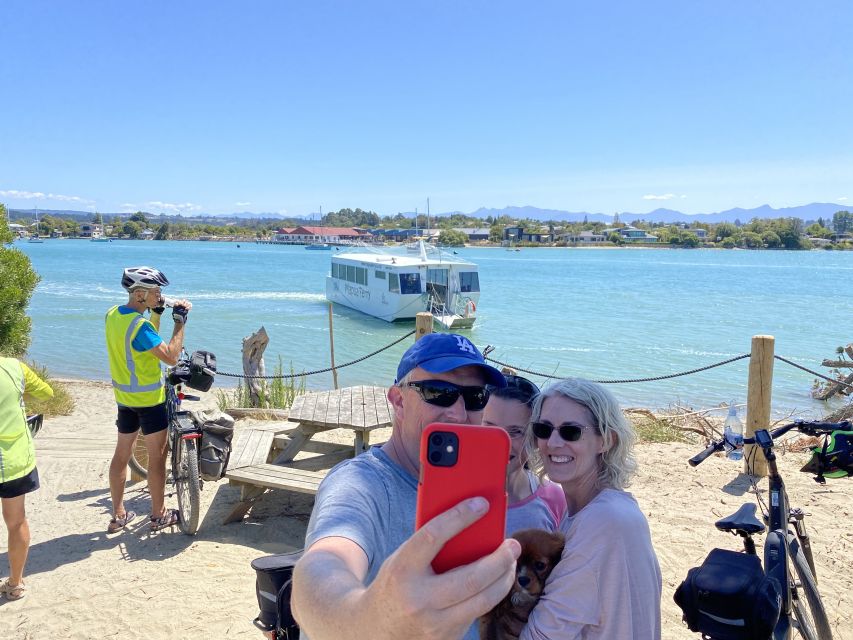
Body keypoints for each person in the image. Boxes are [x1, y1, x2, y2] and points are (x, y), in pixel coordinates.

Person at [291, 333, 522, 640]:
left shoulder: (481, 485)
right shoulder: (360, 483)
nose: (458, 412)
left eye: (475, 396)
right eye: (438, 392)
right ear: (398, 401)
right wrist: (372, 622)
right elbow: (319, 571)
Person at [520, 378, 662, 640]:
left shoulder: (603, 520)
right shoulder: (597, 509)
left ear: (605, 441)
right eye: (543, 429)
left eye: (570, 431)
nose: (552, 442)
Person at [104, 266, 191, 533]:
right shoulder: (140, 326)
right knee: (157, 458)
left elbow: (141, 346)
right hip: (149, 401)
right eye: (156, 292)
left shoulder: (114, 315)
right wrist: (179, 322)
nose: (160, 295)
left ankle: (118, 515)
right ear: (140, 294)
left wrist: (157, 314)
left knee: (121, 454)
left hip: (125, 398)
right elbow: (170, 356)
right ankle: (158, 515)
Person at [481, 375, 566, 534]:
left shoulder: (554, 499)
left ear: (535, 438)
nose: (501, 443)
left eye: (516, 432)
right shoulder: (452, 493)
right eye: (490, 428)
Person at [0, 356, 53, 600]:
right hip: (13, 461)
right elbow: (45, 393)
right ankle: (15, 583)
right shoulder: (13, 368)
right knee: (16, 522)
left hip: (12, 463)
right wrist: (19, 396)